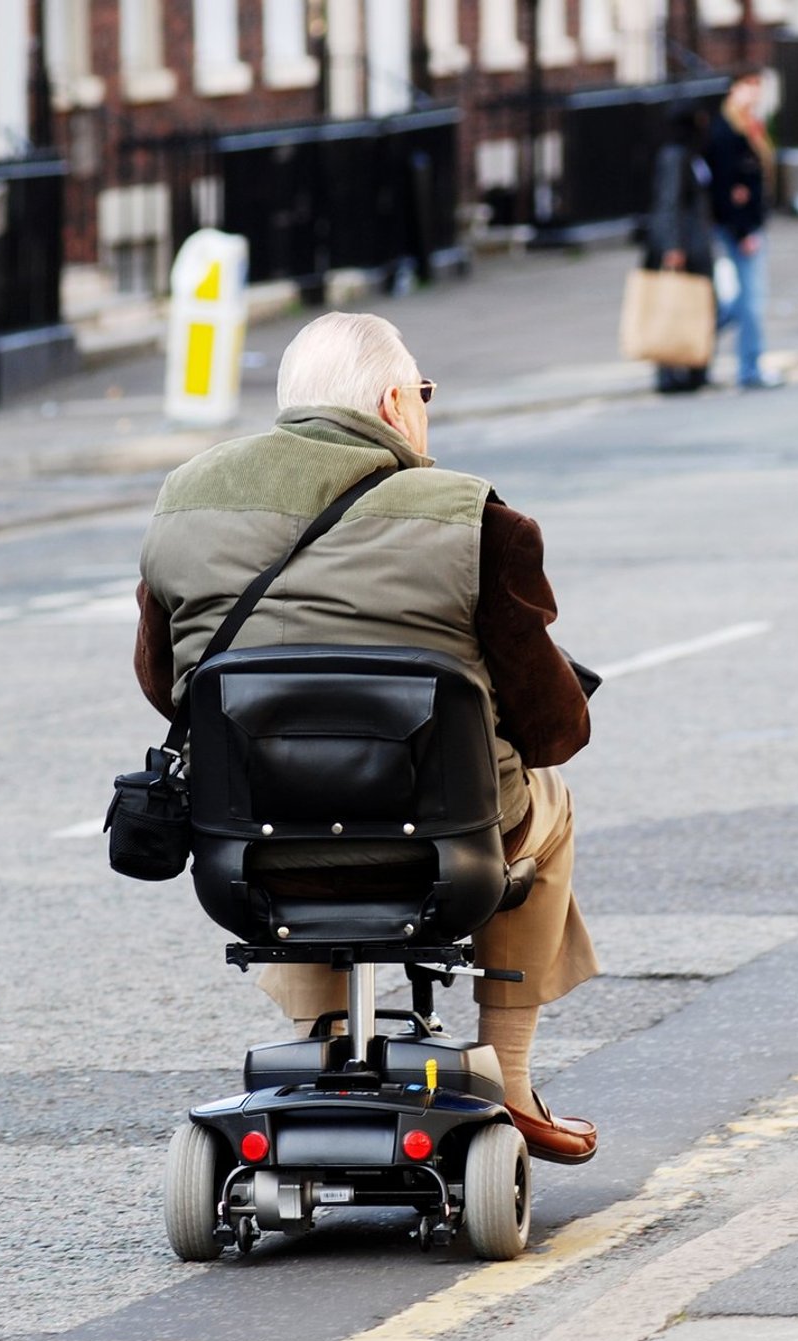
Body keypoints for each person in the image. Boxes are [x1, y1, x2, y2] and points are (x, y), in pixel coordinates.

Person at [132, 312, 601, 1166]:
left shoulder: (185, 500)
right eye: (422, 393)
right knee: (550, 801)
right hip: (447, 846)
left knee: (282, 796)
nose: (425, 408)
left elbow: (168, 688)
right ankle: (516, 1076)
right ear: (393, 402)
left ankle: (323, 1036)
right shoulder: (478, 520)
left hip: (246, 853)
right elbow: (554, 730)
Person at [706, 67, 781, 391]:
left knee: (744, 301)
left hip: (750, 223)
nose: (754, 92)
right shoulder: (725, 131)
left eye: (758, 85)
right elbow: (725, 188)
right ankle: (750, 368)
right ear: (733, 89)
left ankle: (701, 337)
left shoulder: (750, 126)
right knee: (751, 302)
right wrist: (742, 231)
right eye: (748, 85)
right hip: (741, 227)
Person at [645, 103, 718, 395]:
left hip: (695, 243)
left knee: (697, 308)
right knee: (673, 308)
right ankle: (671, 373)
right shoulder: (675, 156)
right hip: (684, 246)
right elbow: (669, 203)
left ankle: (695, 368)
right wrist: (673, 246)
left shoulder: (691, 154)